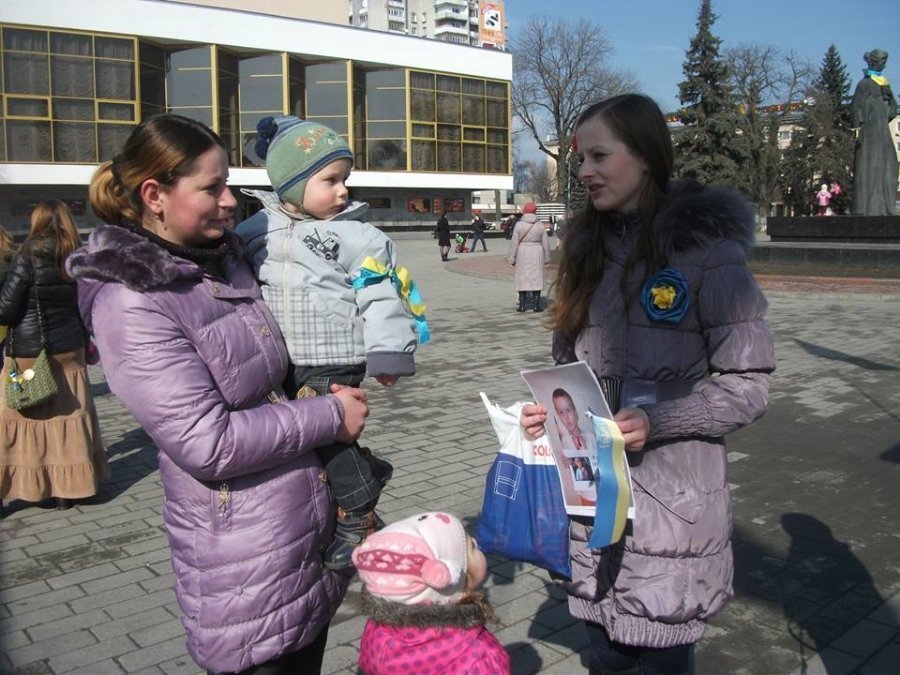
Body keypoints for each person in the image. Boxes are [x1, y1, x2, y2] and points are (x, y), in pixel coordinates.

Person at [66, 113, 368, 674]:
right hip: (244, 560)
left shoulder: (224, 262)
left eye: (228, 182)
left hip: (298, 533)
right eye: (211, 188)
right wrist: (330, 415)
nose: (229, 201)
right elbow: (208, 442)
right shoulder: (133, 302)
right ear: (155, 196)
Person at [519, 94, 774, 675]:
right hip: (592, 508)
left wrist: (661, 420)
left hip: (670, 508)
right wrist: (546, 414)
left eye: (600, 156)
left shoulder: (708, 252)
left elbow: (748, 384)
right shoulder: (583, 248)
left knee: (660, 661)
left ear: (646, 156)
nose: (585, 171)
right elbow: (568, 365)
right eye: (581, 158)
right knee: (604, 659)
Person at [237, 115, 427, 570]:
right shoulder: (255, 230)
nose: (343, 191)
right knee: (304, 436)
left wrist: (389, 353)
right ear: (291, 182)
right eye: (330, 180)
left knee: (327, 433)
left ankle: (359, 512)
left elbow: (380, 294)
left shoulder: (357, 236)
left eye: (345, 179)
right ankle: (365, 473)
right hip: (284, 357)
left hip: (336, 354)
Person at [0, 201, 108, 513]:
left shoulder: (27, 254)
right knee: (67, 420)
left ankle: (29, 486)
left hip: (29, 353)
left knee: (18, 419)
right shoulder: (77, 256)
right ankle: (66, 490)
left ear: (37, 221)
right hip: (70, 349)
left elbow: (6, 309)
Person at [352, 511, 511, 675]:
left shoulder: (377, 631)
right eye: (472, 547)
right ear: (454, 581)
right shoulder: (482, 658)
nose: (476, 542)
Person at [850, 49, 898, 216]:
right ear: (873, 62)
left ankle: (886, 206)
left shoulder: (884, 83)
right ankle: (865, 207)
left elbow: (891, 112)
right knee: (869, 167)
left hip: (883, 132)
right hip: (869, 134)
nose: (883, 65)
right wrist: (857, 129)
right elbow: (856, 108)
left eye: (884, 62)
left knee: (889, 165)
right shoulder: (864, 84)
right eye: (881, 62)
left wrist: (889, 98)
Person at [507, 202, 550, 313]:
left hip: (522, 252)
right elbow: (546, 243)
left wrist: (512, 258)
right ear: (535, 211)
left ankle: (522, 306)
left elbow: (514, 243)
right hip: (537, 252)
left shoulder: (519, 225)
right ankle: (536, 306)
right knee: (537, 279)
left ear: (524, 211)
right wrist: (547, 259)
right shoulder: (540, 225)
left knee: (522, 279)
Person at [551, 388, 596, 452]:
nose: (566, 417)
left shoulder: (591, 437)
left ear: (575, 412)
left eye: (568, 410)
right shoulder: (563, 444)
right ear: (558, 417)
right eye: (561, 413)